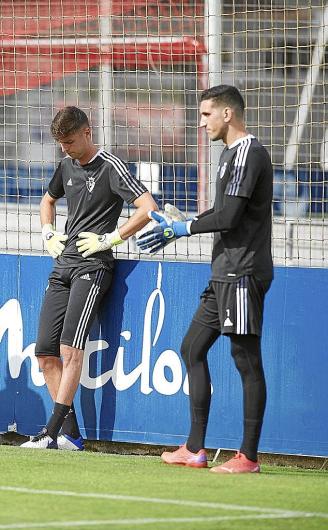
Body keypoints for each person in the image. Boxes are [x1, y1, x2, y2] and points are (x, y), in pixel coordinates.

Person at [137, 85, 273, 473]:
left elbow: (229, 218)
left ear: (228, 114)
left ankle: (248, 457)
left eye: (206, 115)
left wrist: (185, 228)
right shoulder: (229, 155)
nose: (201, 123)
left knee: (246, 360)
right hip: (223, 273)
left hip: (243, 272)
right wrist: (183, 223)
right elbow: (225, 208)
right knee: (192, 348)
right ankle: (195, 449)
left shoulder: (249, 153)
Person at [21, 106, 158, 450]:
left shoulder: (110, 166)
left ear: (86, 132)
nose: (64, 149)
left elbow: (148, 207)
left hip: (93, 268)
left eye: (68, 141)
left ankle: (50, 433)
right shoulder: (66, 165)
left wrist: (110, 239)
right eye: (60, 144)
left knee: (70, 350)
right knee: (45, 353)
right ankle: (71, 435)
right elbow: (47, 201)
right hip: (63, 265)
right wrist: (48, 231)